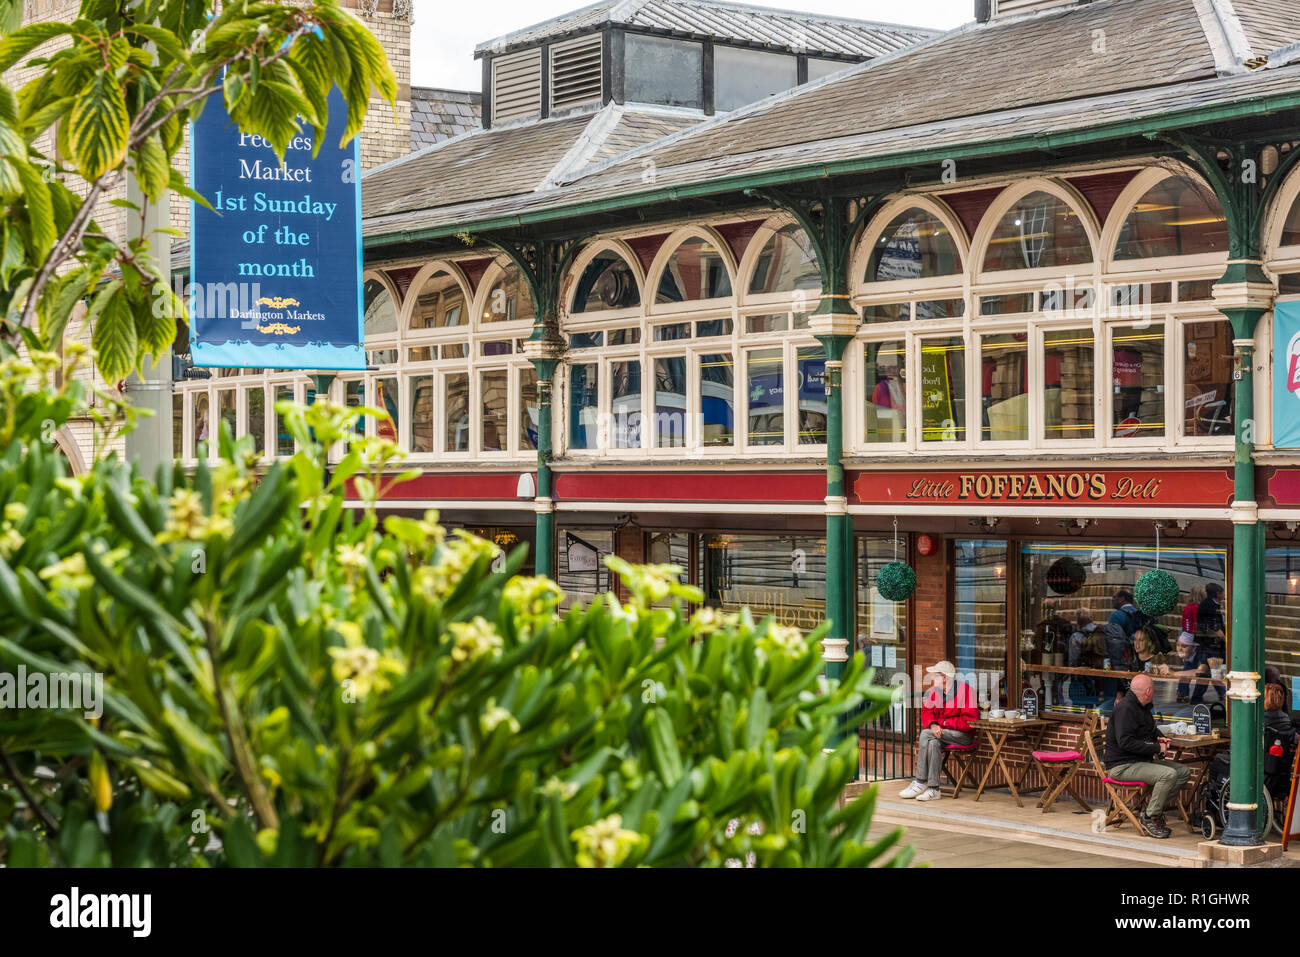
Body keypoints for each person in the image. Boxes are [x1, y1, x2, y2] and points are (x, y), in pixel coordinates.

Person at [1104, 673, 1191, 839]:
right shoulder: (1126, 708)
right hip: (1122, 766)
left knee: (1182, 772)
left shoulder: (1142, 706)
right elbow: (1125, 742)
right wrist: (1157, 747)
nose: (1155, 693)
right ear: (1148, 691)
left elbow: (1149, 729)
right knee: (1168, 775)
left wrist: (1159, 737)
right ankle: (1150, 816)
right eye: (1154, 689)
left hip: (1140, 761)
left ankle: (1152, 809)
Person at [899, 660, 978, 803]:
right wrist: (933, 724)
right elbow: (926, 712)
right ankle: (934, 789)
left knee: (925, 734)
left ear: (944, 677)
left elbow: (970, 723)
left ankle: (920, 781)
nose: (931, 678)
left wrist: (944, 723)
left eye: (935, 675)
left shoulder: (965, 691)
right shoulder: (935, 692)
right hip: (941, 735)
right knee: (933, 743)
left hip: (962, 736)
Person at [1173, 632, 1209, 705]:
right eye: (1178, 645)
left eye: (1184, 646)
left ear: (1193, 648)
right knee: (1186, 672)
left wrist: (1173, 673)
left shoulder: (1202, 655)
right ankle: (1182, 695)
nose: (1179, 649)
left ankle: (1196, 698)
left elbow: (1202, 671)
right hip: (1191, 660)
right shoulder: (1188, 655)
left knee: (1201, 675)